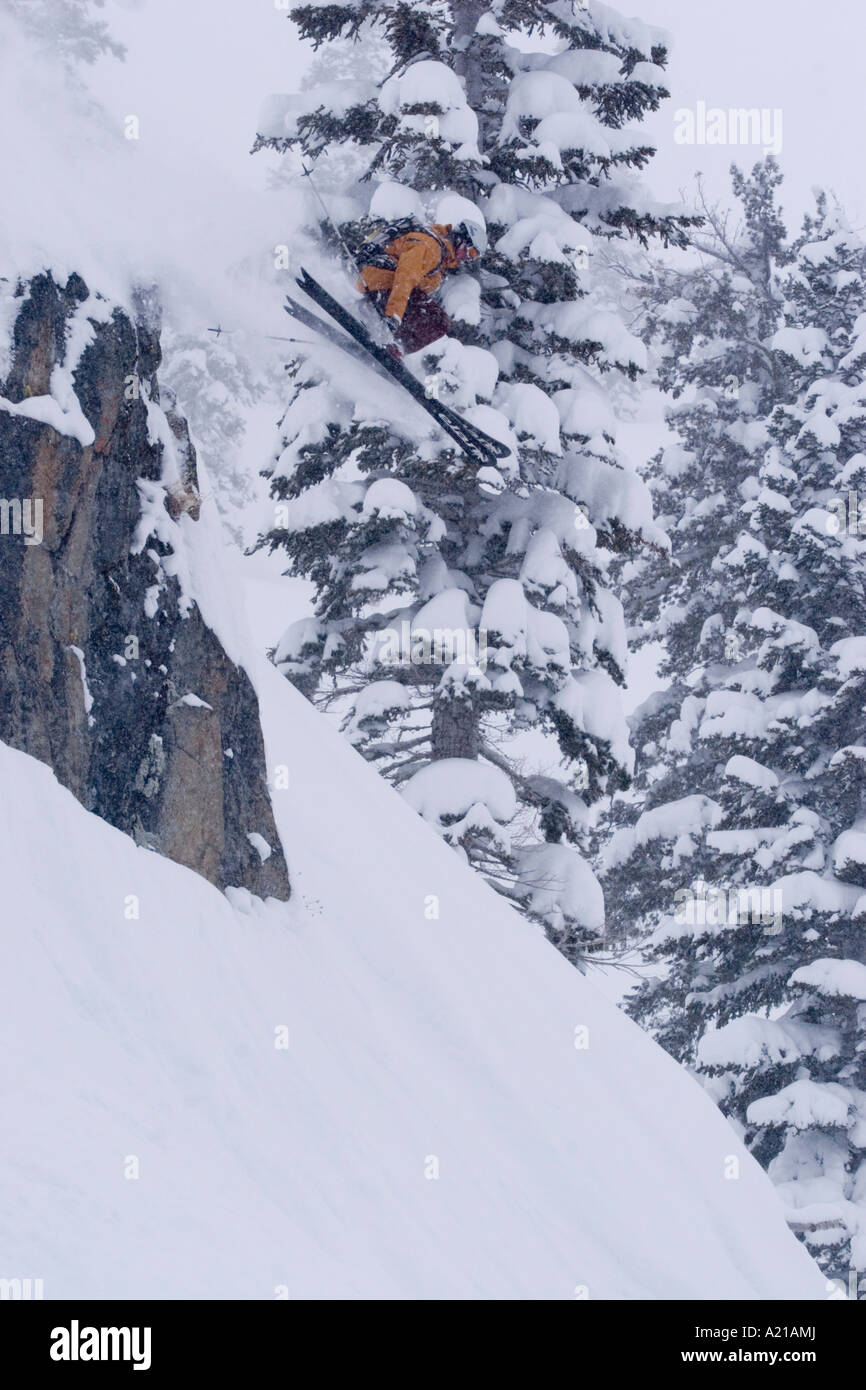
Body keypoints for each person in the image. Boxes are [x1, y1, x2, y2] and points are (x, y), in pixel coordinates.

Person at [356, 219, 486, 356]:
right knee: (439, 321)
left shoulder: (440, 254)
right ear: (461, 240)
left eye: (473, 257)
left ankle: (391, 345)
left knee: (432, 315)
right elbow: (405, 277)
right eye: (470, 253)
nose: (467, 258)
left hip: (381, 285)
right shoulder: (431, 247)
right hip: (378, 283)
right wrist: (393, 316)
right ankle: (389, 345)